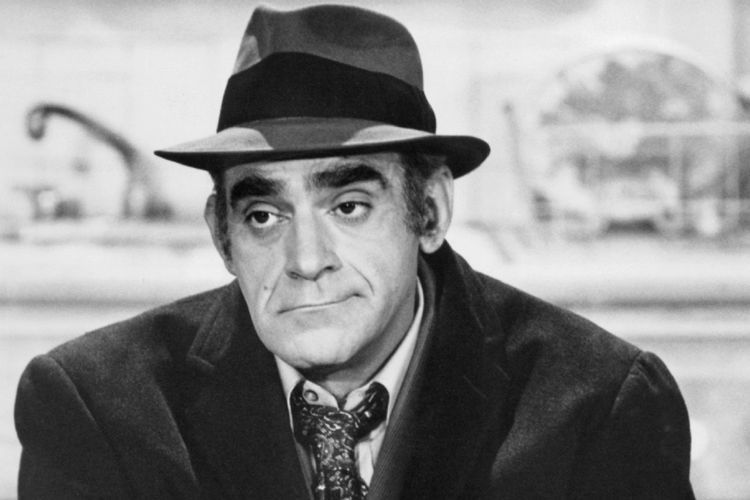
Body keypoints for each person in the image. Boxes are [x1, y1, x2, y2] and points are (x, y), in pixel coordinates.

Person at [14, 4, 694, 499]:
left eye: (348, 206)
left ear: (430, 212)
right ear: (222, 235)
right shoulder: (93, 408)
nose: (307, 260)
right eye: (263, 215)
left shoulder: (598, 406)